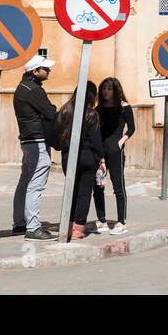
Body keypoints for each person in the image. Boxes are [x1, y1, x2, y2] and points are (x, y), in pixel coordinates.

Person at [12, 53, 58, 241]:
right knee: (36, 184)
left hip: (28, 140)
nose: (48, 71)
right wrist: (46, 114)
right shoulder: (34, 90)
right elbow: (51, 112)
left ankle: (19, 223)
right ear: (35, 71)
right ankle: (33, 227)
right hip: (37, 141)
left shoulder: (22, 87)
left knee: (25, 181)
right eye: (45, 68)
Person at [57, 81, 106, 241]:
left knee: (71, 192)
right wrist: (101, 159)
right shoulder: (91, 114)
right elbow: (95, 140)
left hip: (68, 156)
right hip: (87, 157)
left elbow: (56, 135)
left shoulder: (64, 110)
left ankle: (68, 226)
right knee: (84, 193)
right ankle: (78, 229)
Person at [93, 77, 136, 234]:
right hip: (100, 153)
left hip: (115, 151)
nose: (106, 91)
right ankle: (102, 220)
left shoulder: (124, 107)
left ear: (116, 90)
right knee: (98, 186)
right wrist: (99, 155)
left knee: (118, 186)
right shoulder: (99, 109)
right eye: (104, 88)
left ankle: (121, 222)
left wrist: (122, 141)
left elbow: (131, 128)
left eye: (109, 88)